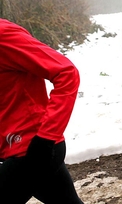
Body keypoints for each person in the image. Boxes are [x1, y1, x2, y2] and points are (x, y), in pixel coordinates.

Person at [0, 19, 83, 203]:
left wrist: (45, 139)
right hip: (13, 149)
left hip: (32, 151)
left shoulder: (3, 35)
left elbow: (67, 73)